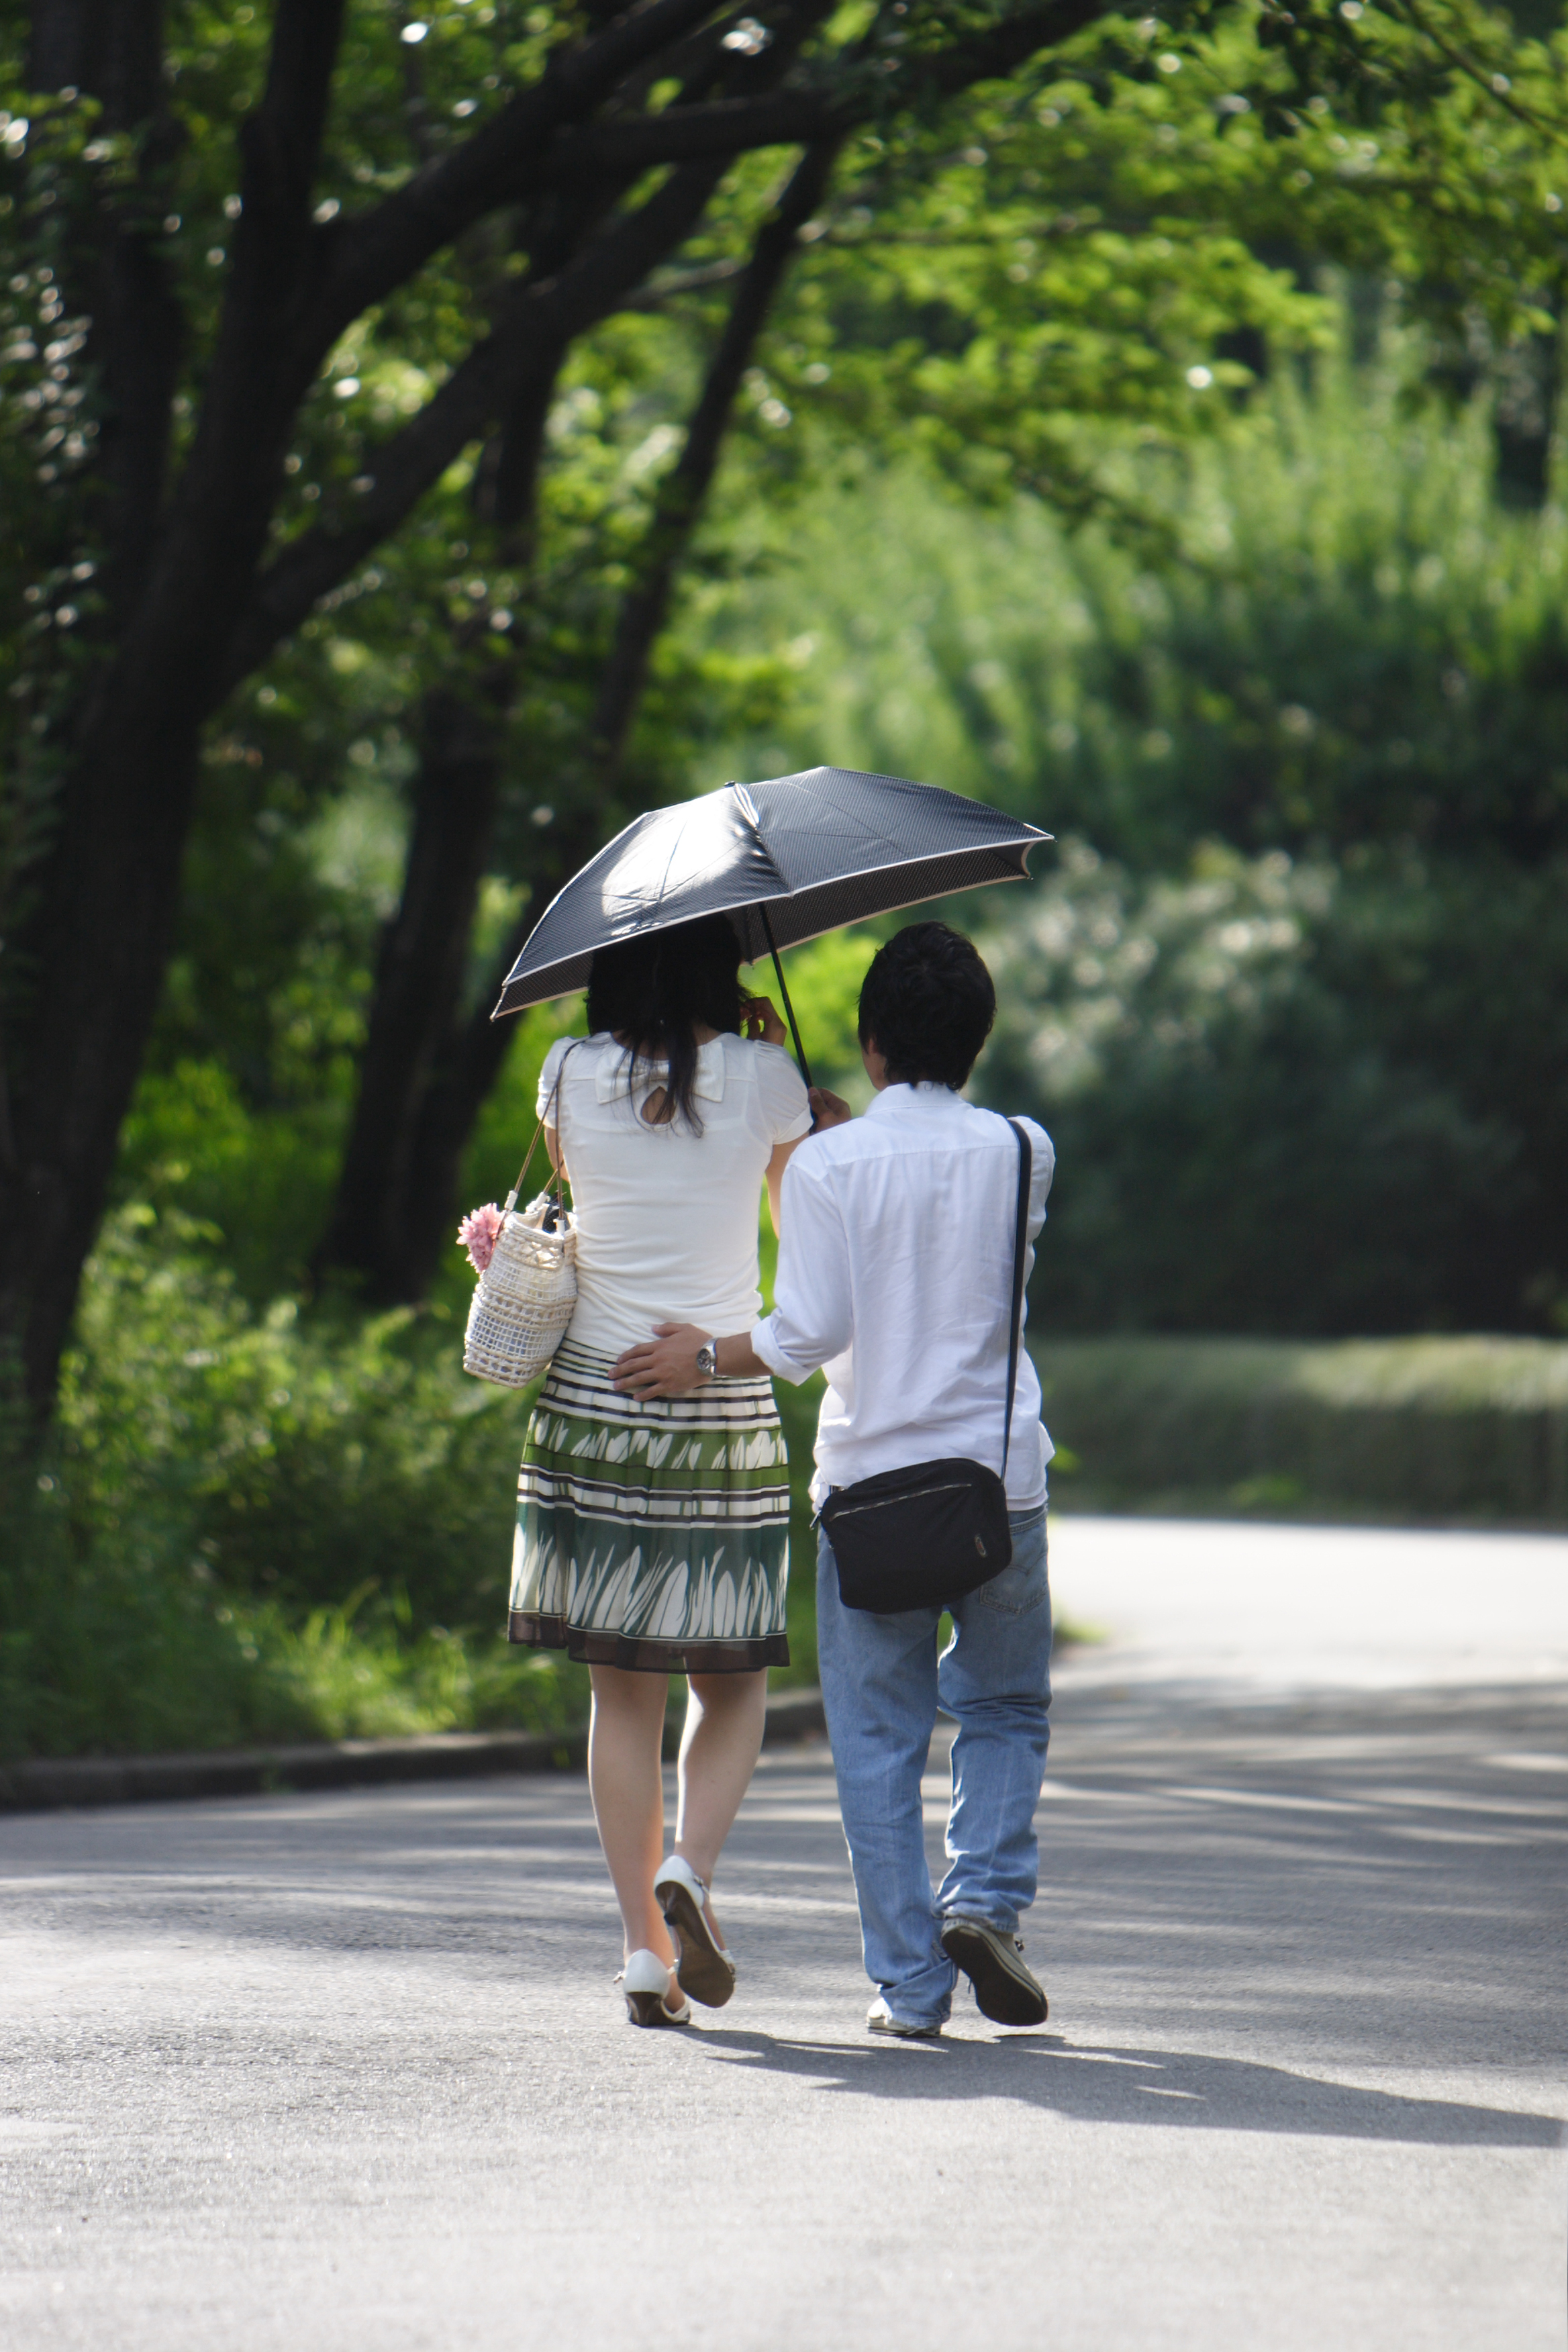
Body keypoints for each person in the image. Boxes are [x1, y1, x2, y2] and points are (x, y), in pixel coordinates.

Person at [612, 921, 1055, 2039]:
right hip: (1000, 1484)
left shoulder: (823, 1165)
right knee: (1002, 1707)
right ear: (978, 1038)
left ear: (867, 1041)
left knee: (875, 1736)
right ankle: (987, 1903)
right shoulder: (1023, 1149)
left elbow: (804, 1334)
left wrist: (705, 1354)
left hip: (869, 1490)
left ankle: (912, 1989)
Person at [508, 912, 826, 2028]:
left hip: (592, 1406)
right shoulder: (765, 1075)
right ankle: (688, 1865)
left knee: (619, 1694)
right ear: (720, 971)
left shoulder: (565, 1073)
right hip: (718, 1395)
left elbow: (587, 1213)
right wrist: (777, 1075)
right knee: (731, 1681)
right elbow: (806, 1218)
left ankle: (645, 1952)